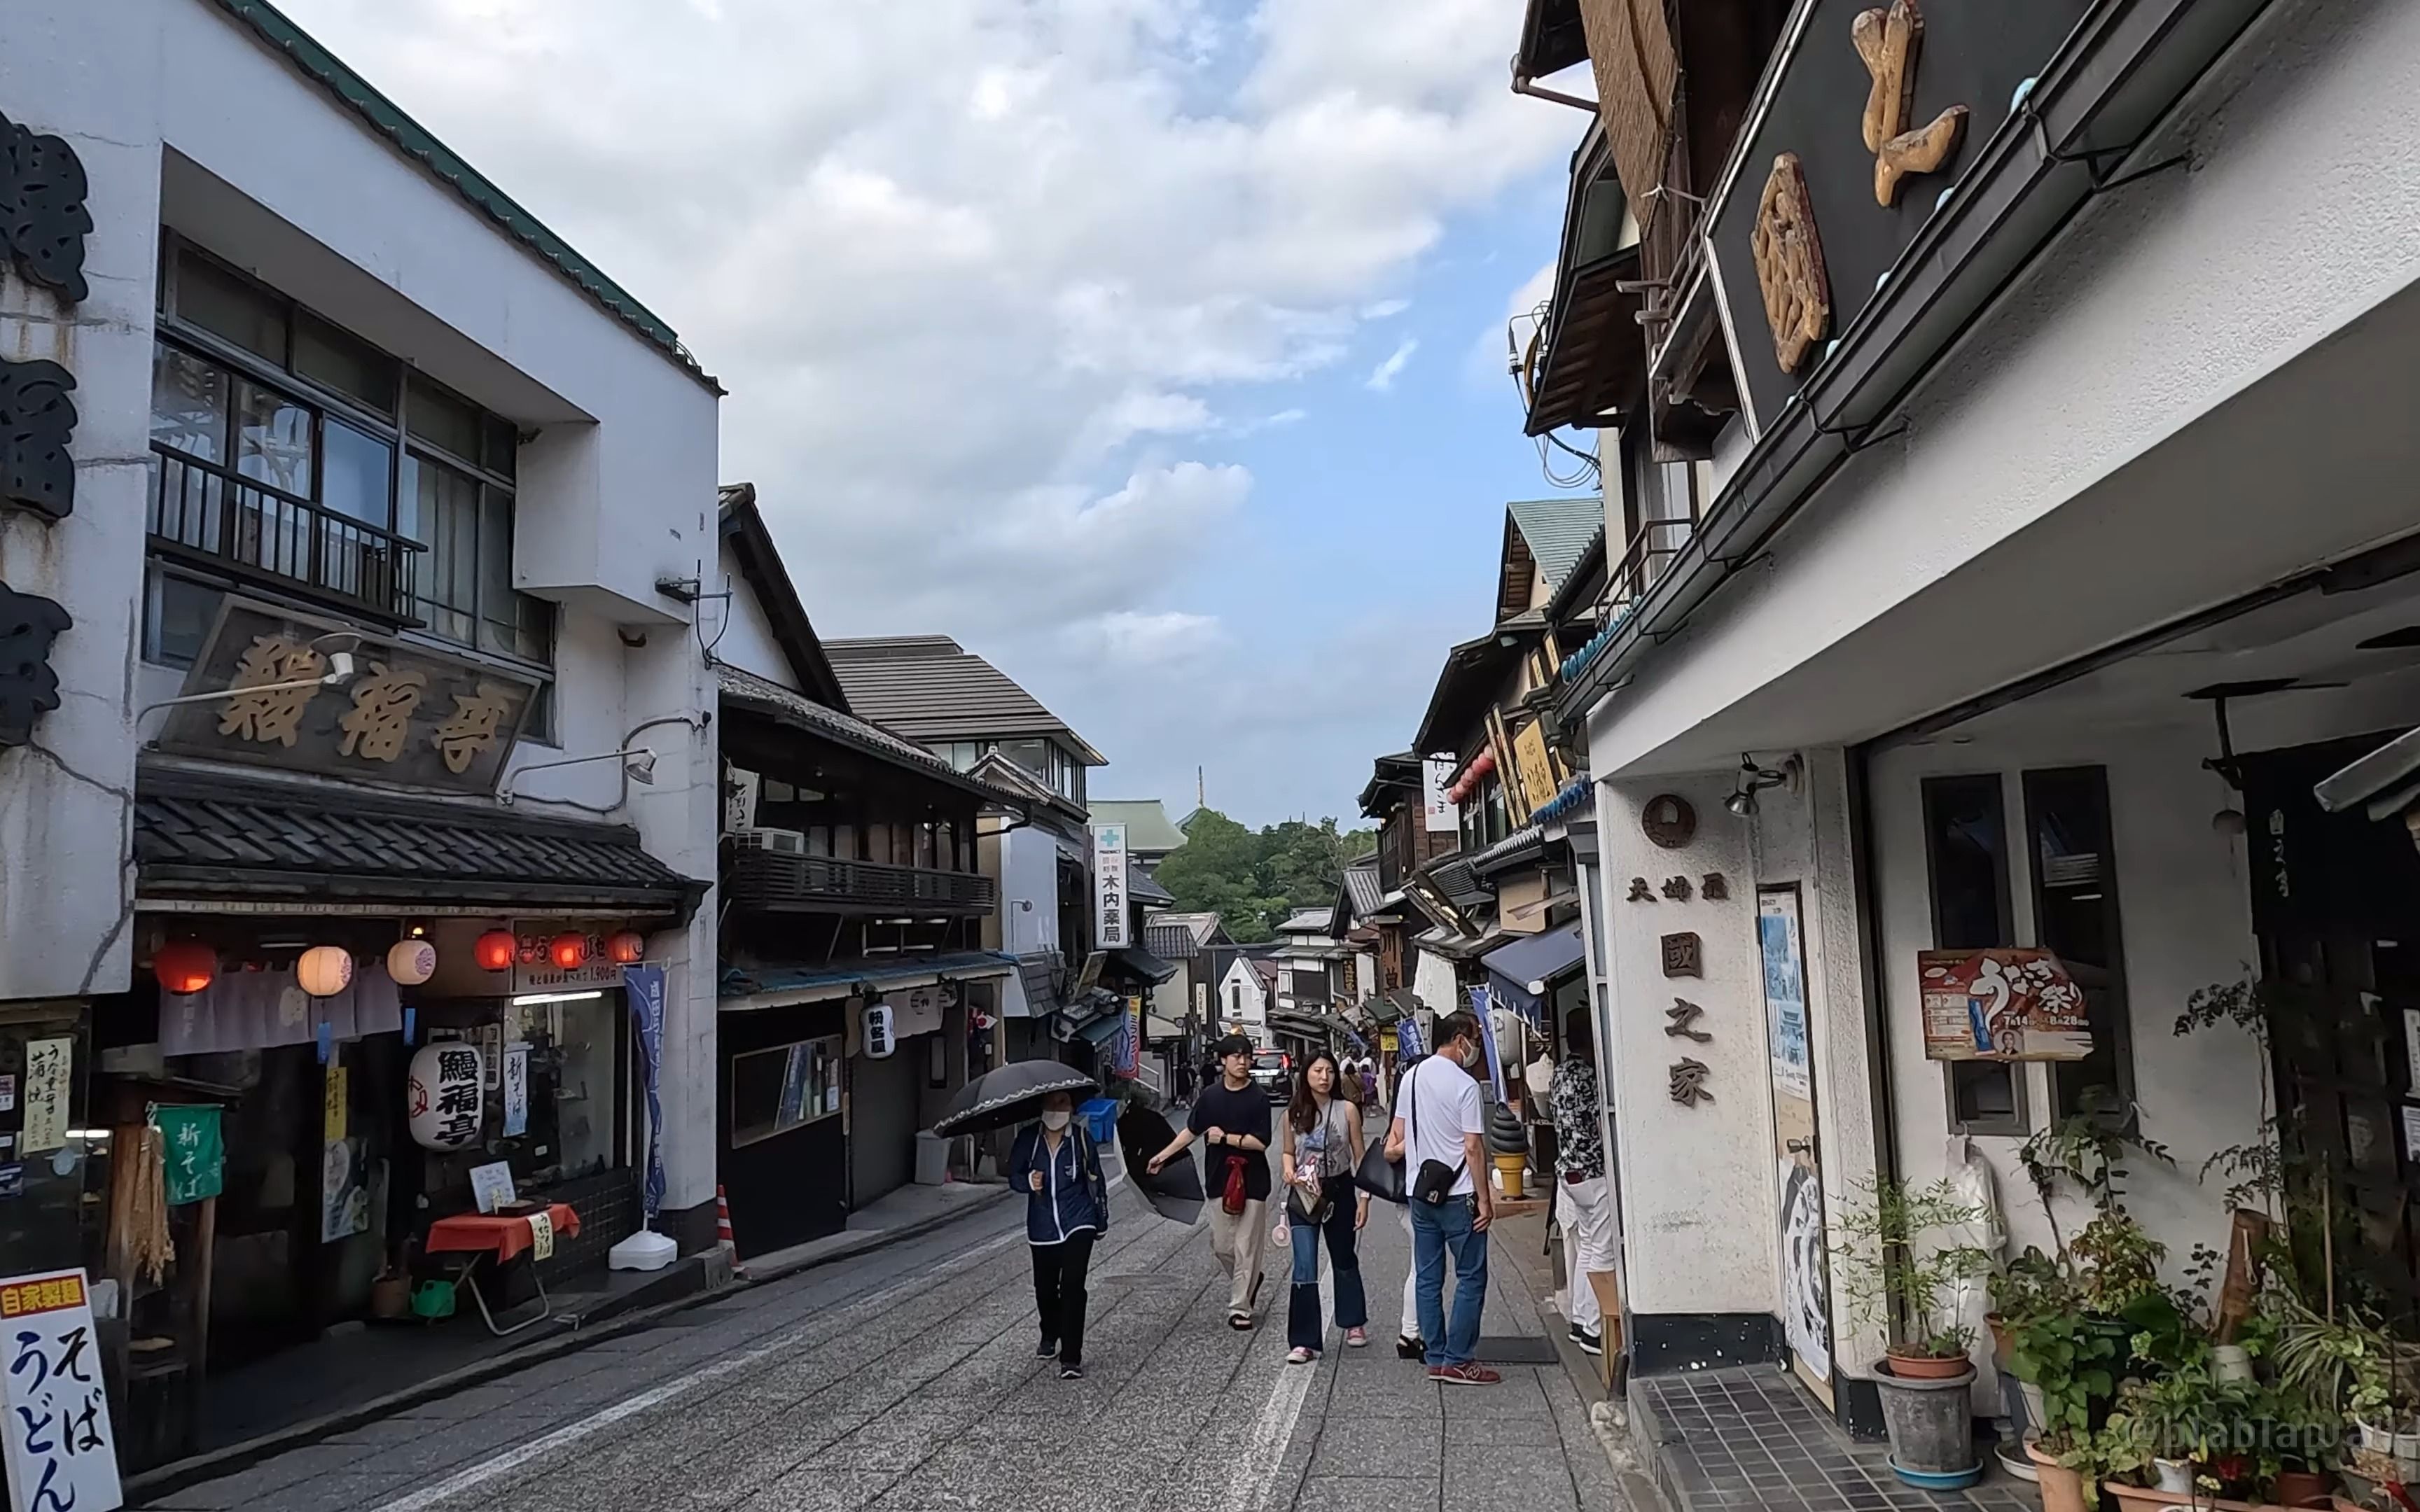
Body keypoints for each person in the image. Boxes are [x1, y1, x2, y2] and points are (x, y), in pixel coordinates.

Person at [1386, 1012, 1498, 1385]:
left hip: (1420, 1193)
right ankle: (1459, 1359)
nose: (1476, 1047)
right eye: (1475, 1038)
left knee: (1428, 1276)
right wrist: (1485, 1199)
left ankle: (1435, 1355)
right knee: (1470, 1277)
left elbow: (1396, 1136)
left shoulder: (1411, 1077)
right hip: (1460, 1194)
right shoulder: (1464, 1085)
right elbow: (1473, 1147)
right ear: (1461, 1038)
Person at [1150, 1033, 1270, 1329]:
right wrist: (1162, 1156)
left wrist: (1226, 1138)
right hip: (1219, 1178)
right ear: (1223, 1061)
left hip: (1252, 1180)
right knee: (1222, 1246)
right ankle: (1250, 1278)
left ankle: (1239, 1309)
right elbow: (1191, 1131)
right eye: (1236, 1057)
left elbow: (1262, 1143)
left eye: (1246, 1056)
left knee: (1246, 1247)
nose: (1243, 1062)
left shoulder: (1259, 1097)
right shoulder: (1210, 1097)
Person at [1008, 1090, 1109, 1380]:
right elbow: (1013, 1176)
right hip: (1042, 1227)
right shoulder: (1029, 1139)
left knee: (1073, 1287)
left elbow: (1096, 1179)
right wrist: (1029, 1181)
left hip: (1079, 1221)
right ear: (1041, 1106)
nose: (1057, 1108)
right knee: (1045, 1288)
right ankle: (1050, 1332)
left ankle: (1071, 1357)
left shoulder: (1080, 1139)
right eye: (1051, 1102)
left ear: (1072, 1106)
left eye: (1063, 1102)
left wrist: (1100, 1220)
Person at [1279, 1051, 1370, 1363]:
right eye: (1318, 1071)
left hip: (1340, 1189)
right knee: (1304, 1264)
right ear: (1305, 1074)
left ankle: (1353, 1321)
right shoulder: (1293, 1112)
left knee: (1343, 1256)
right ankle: (1304, 1340)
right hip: (1305, 1193)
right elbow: (1288, 1152)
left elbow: (1359, 1156)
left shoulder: (1347, 1110)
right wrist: (1288, 1169)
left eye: (1330, 1071)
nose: (1324, 1077)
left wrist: (1364, 1199)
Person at [1550, 1006, 1617, 1357]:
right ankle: (1594, 1330)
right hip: (1595, 1172)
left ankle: (1579, 1320)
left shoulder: (1560, 1074)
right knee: (1601, 1251)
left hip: (1569, 1174)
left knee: (1587, 1247)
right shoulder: (1593, 1077)